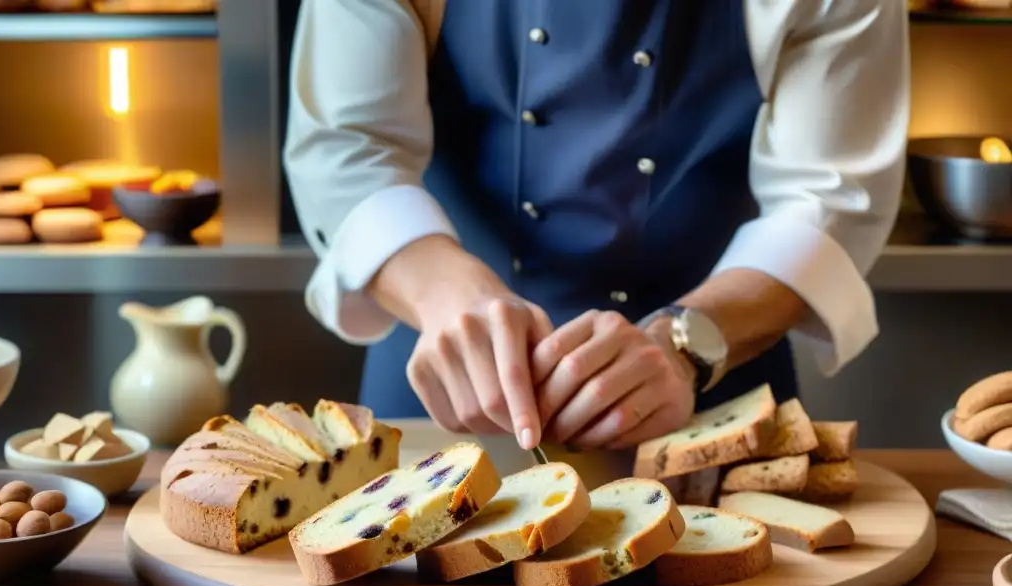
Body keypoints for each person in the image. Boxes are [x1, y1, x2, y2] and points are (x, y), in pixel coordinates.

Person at [283, 0, 909, 453]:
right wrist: (451, 299)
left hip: (712, 407)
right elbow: (348, 146)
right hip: (440, 403)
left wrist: (686, 345)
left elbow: (828, 196)